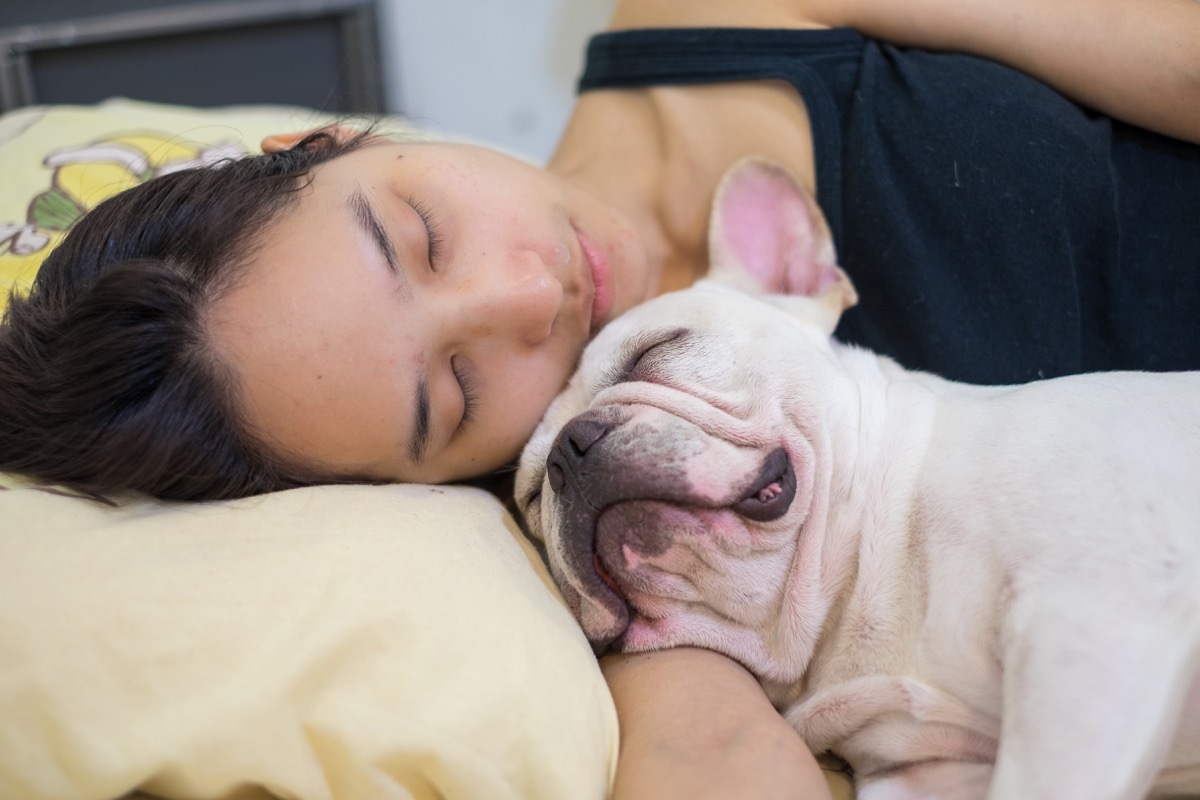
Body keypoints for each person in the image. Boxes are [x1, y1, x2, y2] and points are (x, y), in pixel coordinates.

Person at [2, 0, 1199, 796]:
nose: (530, 291)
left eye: (422, 231)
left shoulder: (716, 8)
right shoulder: (642, 542)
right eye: (458, 389)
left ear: (325, 139)